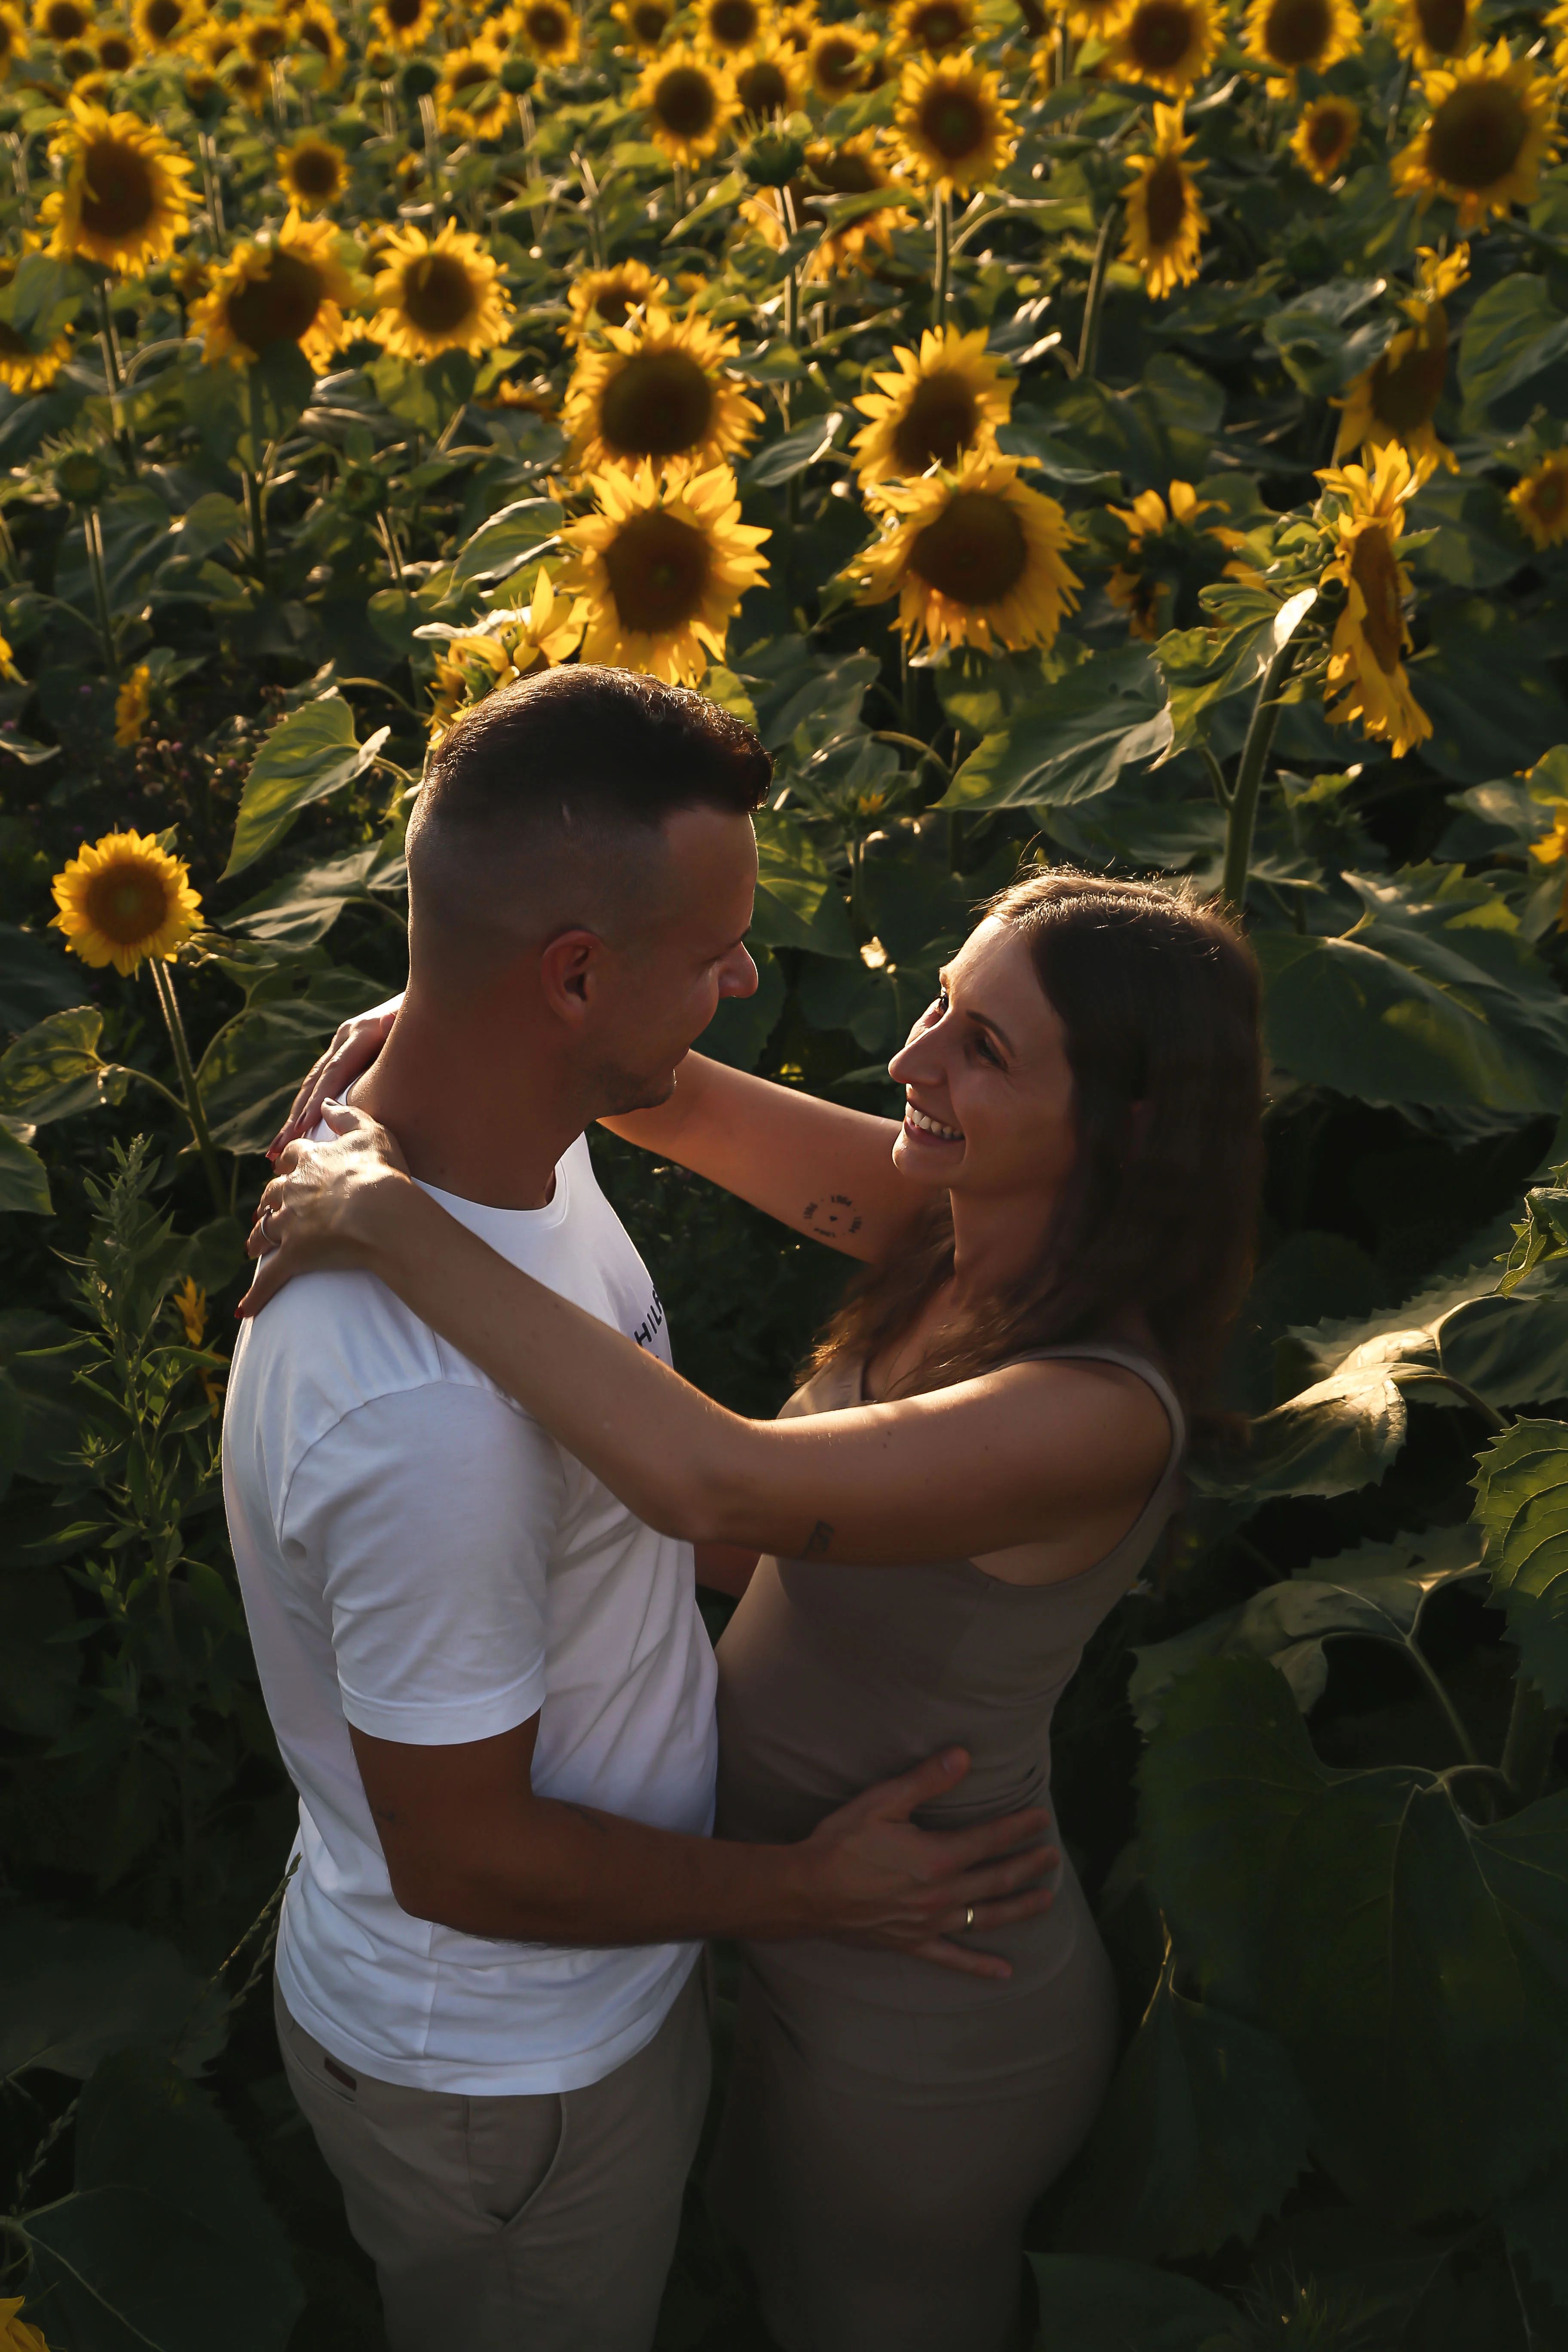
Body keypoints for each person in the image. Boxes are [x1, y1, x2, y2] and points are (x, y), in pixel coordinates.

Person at [249, 849, 1265, 2352]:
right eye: (938, 1003)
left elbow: (720, 1489)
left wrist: (391, 1222)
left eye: (983, 1048)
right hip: (794, 1917)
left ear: (1125, 1125)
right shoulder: (957, 1222)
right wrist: (446, 998)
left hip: (926, 1976)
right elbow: (664, 1089)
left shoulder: (1094, 1412)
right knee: (766, 2271)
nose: (914, 1059)